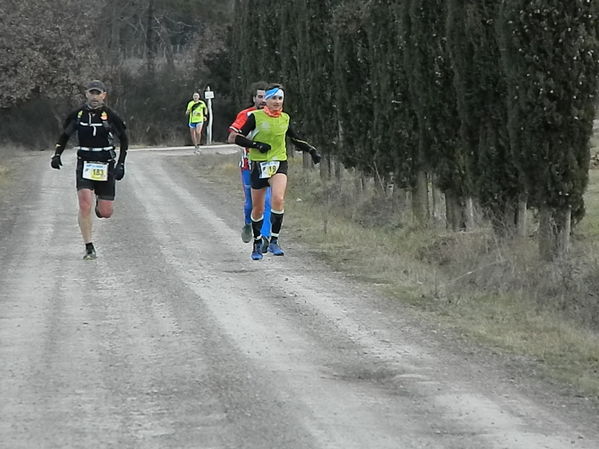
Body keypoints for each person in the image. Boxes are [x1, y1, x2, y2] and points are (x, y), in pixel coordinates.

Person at [229, 84, 321, 260]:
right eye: (273, 98)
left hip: (279, 163)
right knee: (258, 208)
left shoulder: (285, 118)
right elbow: (238, 138)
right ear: (266, 101)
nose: (277, 102)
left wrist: (311, 150)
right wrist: (256, 145)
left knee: (278, 199)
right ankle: (257, 243)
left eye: (280, 99)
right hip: (258, 164)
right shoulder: (255, 117)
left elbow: (295, 139)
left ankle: (274, 240)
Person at [50, 80, 128, 260]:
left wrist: (121, 164)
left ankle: (101, 201)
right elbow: (64, 135)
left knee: (106, 212)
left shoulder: (110, 116)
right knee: (85, 204)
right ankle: (89, 247)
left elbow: (124, 139)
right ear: (86, 94)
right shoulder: (77, 115)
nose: (94, 97)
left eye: (98, 93)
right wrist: (57, 155)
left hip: (105, 163)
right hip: (85, 162)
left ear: (104, 95)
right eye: (91, 93)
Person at [227, 81, 272, 250]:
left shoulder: (275, 115)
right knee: (251, 203)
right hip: (248, 165)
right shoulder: (246, 115)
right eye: (260, 97)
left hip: (269, 165)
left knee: (267, 201)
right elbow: (232, 136)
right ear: (254, 98)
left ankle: (265, 236)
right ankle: (247, 223)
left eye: (265, 97)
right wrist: (252, 144)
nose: (262, 100)